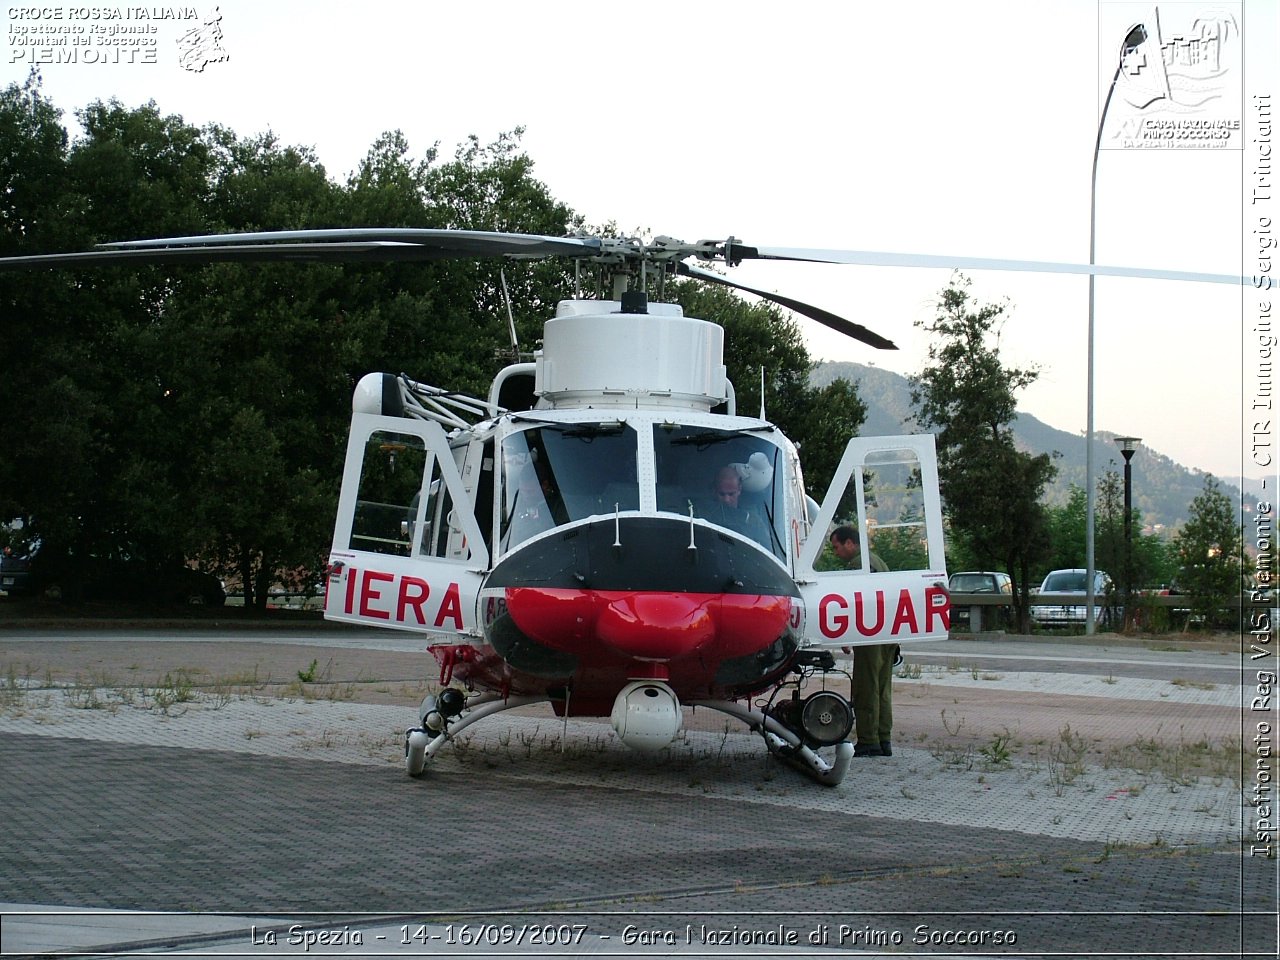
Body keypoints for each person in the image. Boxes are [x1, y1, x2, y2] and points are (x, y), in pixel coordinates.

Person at [829, 525, 896, 758]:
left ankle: (868, 740)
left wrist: (847, 634)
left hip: (870, 634)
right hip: (888, 632)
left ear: (850, 543)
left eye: (837, 546)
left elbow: (855, 602)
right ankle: (883, 738)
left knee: (866, 687)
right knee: (882, 687)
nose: (837, 552)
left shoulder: (858, 565)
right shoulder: (878, 561)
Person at [703, 466, 772, 549]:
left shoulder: (752, 520)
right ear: (714, 491)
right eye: (722, 494)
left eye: (731, 494)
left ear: (739, 489)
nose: (726, 499)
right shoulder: (705, 518)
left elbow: (767, 548)